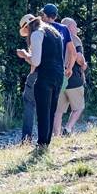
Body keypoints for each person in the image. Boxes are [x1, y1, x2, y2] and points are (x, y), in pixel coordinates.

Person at [22, 13, 65, 147]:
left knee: (42, 110)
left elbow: (36, 61)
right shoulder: (54, 33)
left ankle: (41, 143)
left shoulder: (36, 34)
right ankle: (47, 142)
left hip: (45, 74)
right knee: (51, 109)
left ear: (28, 27)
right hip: (59, 74)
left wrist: (25, 56)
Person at [54, 17, 87, 135]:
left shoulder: (56, 38)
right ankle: (68, 128)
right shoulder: (74, 39)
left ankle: (56, 136)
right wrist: (84, 64)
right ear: (69, 27)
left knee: (58, 111)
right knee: (79, 107)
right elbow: (78, 57)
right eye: (75, 26)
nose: (77, 29)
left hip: (58, 78)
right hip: (73, 79)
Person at [16, 14, 40, 143]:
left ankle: (26, 138)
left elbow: (35, 62)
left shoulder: (35, 37)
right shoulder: (45, 34)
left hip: (36, 75)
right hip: (51, 74)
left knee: (29, 104)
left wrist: (24, 55)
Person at [41, 3, 77, 78]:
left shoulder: (41, 28)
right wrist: (69, 68)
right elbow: (73, 53)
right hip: (59, 71)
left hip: (43, 71)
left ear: (44, 15)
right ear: (55, 16)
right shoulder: (64, 28)